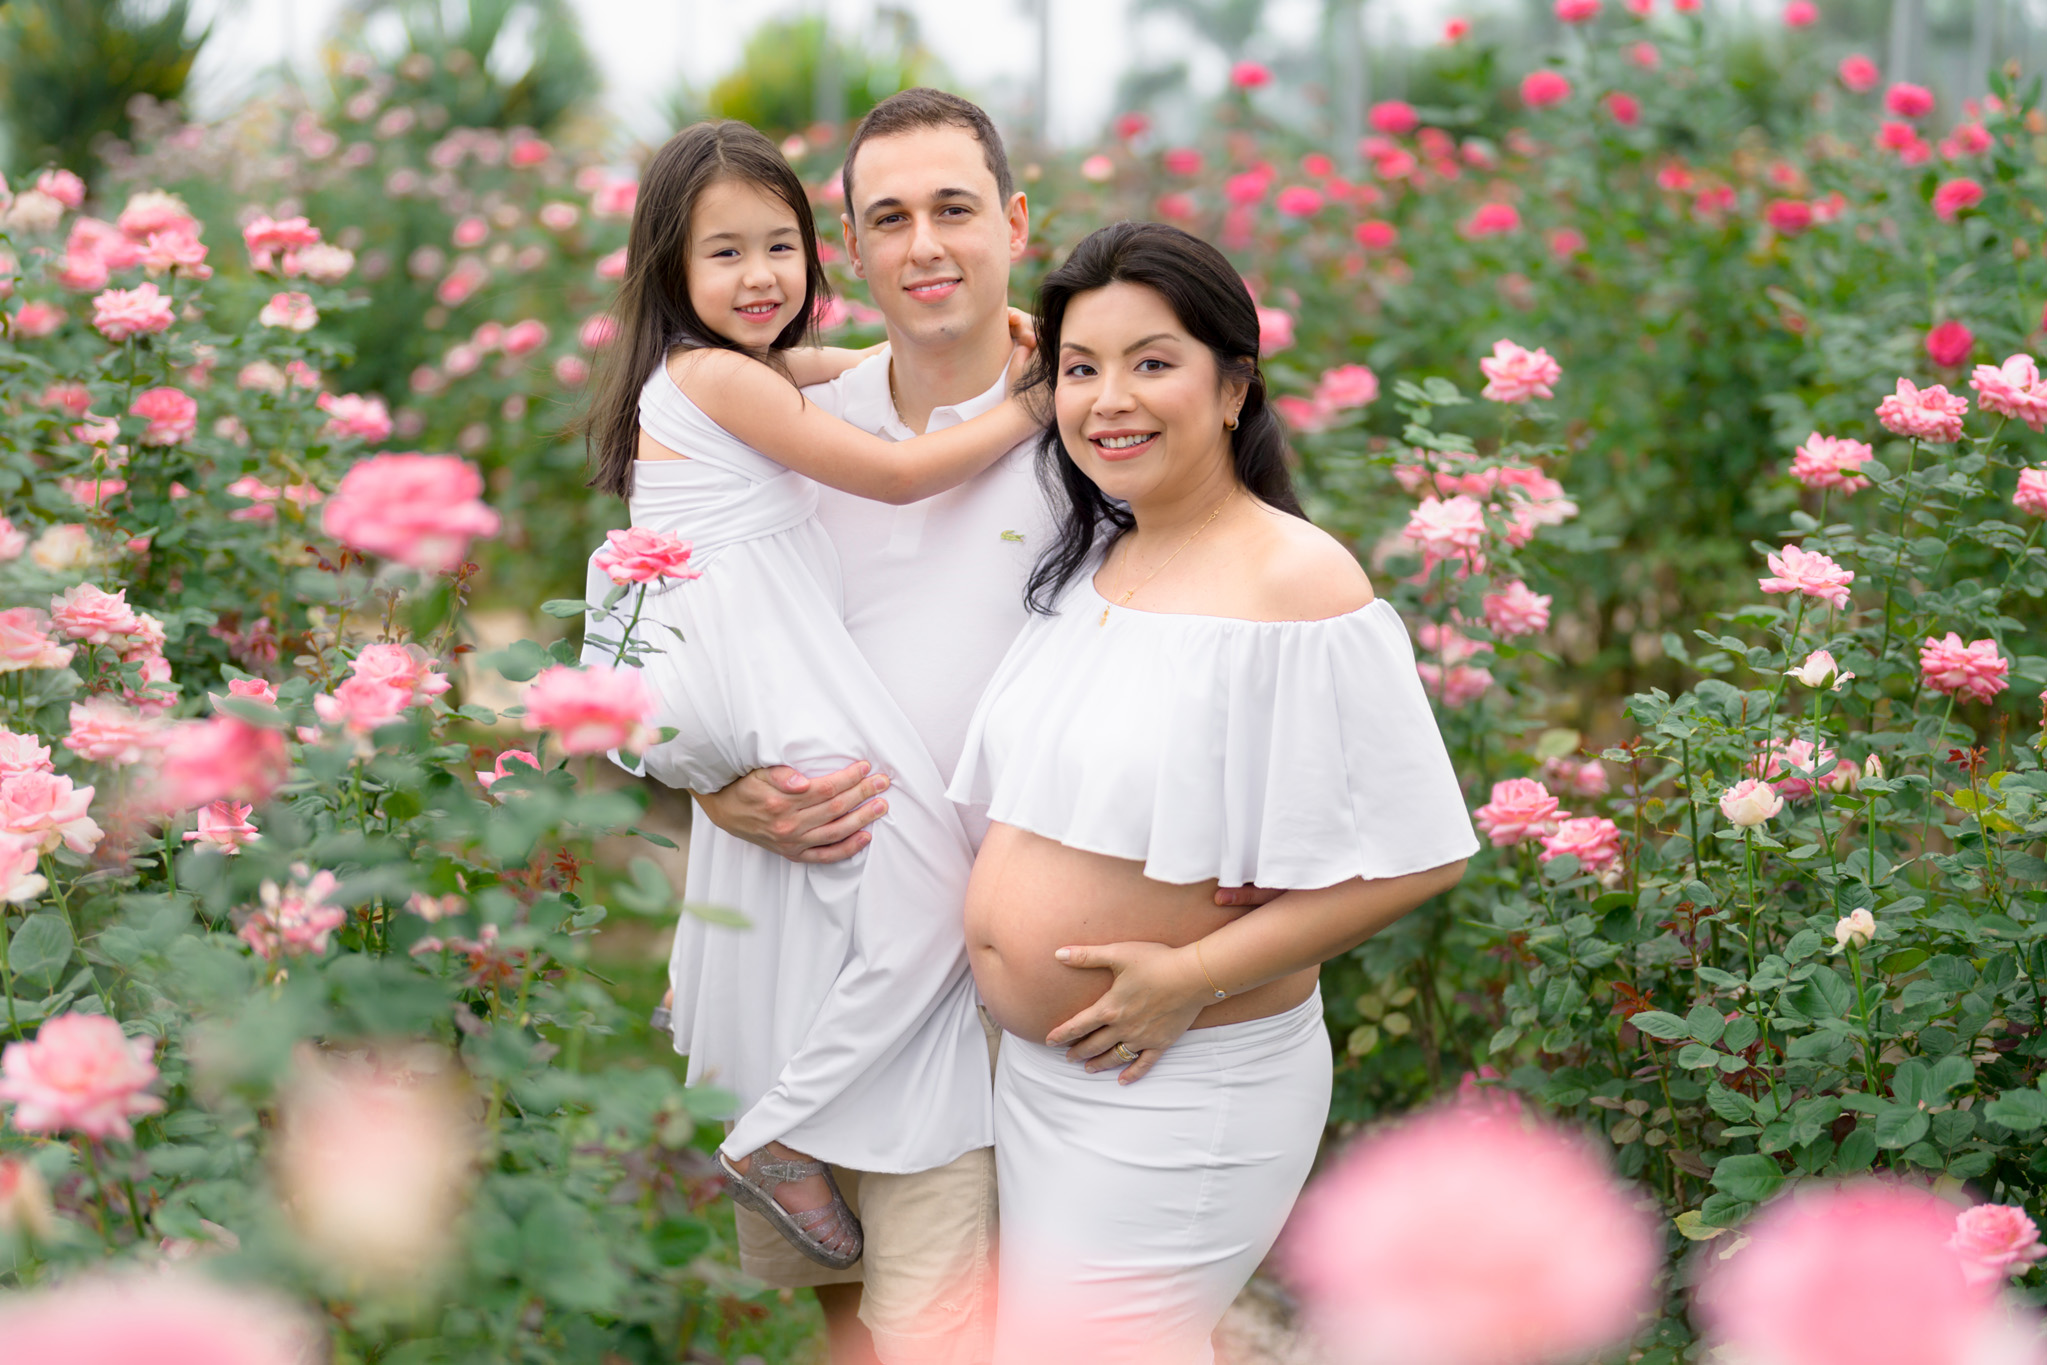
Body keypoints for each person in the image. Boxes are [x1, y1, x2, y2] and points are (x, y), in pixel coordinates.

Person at [947, 221, 1479, 1364]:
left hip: (1182, 1082)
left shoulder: (1295, 577)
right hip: (1051, 1081)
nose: (1108, 399)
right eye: (1080, 368)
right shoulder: (1096, 558)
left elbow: (1423, 850)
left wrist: (1185, 976)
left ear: (1234, 386)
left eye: (1152, 361)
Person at [575, 119, 1040, 1281]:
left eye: (777, 247)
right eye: (723, 254)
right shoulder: (716, 376)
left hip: (754, 652)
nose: (760, 276)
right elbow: (889, 472)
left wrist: (1028, 353)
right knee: (926, 884)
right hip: (768, 660)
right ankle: (778, 1124)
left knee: (898, 886)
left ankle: (780, 1109)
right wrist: (1027, 406)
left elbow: (824, 371)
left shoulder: (725, 374)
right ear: (670, 273)